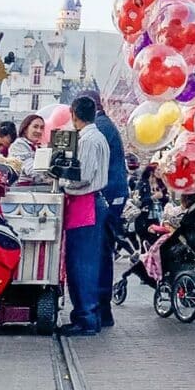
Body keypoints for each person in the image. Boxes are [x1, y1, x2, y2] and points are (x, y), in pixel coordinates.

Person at [60, 95, 110, 338]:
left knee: (82, 264)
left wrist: (62, 181)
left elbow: (84, 176)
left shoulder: (89, 140)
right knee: (83, 262)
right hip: (87, 203)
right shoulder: (95, 136)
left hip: (85, 203)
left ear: (74, 114)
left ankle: (86, 317)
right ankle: (87, 314)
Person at [93, 95, 130, 332]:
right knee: (104, 251)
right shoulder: (106, 125)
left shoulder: (99, 128)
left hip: (107, 196)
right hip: (115, 194)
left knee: (100, 252)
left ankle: (100, 309)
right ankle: (102, 309)